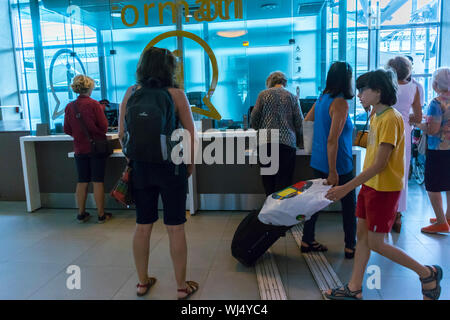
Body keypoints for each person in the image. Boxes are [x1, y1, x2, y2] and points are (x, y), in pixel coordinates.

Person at [324, 69, 443, 300]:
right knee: (363, 237)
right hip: (371, 186)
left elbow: (380, 164)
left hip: (384, 189)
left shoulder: (390, 118)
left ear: (378, 92)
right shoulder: (378, 116)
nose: (358, 95)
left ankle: (427, 273)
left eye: (363, 90)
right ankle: (355, 287)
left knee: (377, 243)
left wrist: (346, 188)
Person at [118, 47, 198, 299]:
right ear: (169, 68)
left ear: (142, 66)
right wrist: (190, 165)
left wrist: (133, 158)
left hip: (141, 168)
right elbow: (190, 135)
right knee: (175, 228)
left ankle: (142, 283)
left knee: (143, 226)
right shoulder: (176, 94)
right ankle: (182, 288)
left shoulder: (131, 93)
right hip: (171, 169)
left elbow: (122, 134)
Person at [302, 62, 357, 259]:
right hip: (339, 163)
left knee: (315, 203)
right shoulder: (340, 103)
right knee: (349, 205)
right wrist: (333, 171)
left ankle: (307, 240)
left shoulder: (321, 98)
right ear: (346, 79)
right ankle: (350, 246)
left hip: (318, 160)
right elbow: (333, 139)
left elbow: (307, 121)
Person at [64, 75, 112, 224]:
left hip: (79, 148)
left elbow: (67, 129)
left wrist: (79, 136)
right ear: (89, 87)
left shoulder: (70, 106)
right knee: (97, 181)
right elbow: (104, 127)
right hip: (96, 148)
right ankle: (101, 215)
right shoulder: (94, 104)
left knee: (82, 181)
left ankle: (81, 214)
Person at [251, 71, 303, 196]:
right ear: (284, 82)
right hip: (286, 144)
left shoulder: (263, 95)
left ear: (269, 82)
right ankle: (281, 212)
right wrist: (300, 142)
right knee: (284, 182)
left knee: (269, 181)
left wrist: (259, 127)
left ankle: (270, 212)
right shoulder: (292, 97)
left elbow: (254, 117)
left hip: (266, 143)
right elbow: (299, 122)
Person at [386, 56, 423, 233]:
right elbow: (418, 117)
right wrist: (406, 119)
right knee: (401, 172)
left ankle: (383, 210)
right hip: (404, 131)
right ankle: (398, 215)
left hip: (386, 128)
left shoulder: (386, 87)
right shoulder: (415, 88)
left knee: (383, 168)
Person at [416, 68, 450, 234]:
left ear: (436, 83)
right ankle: (448, 217)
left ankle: (441, 222)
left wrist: (417, 123)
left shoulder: (436, 103)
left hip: (439, 149)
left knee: (433, 185)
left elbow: (433, 130)